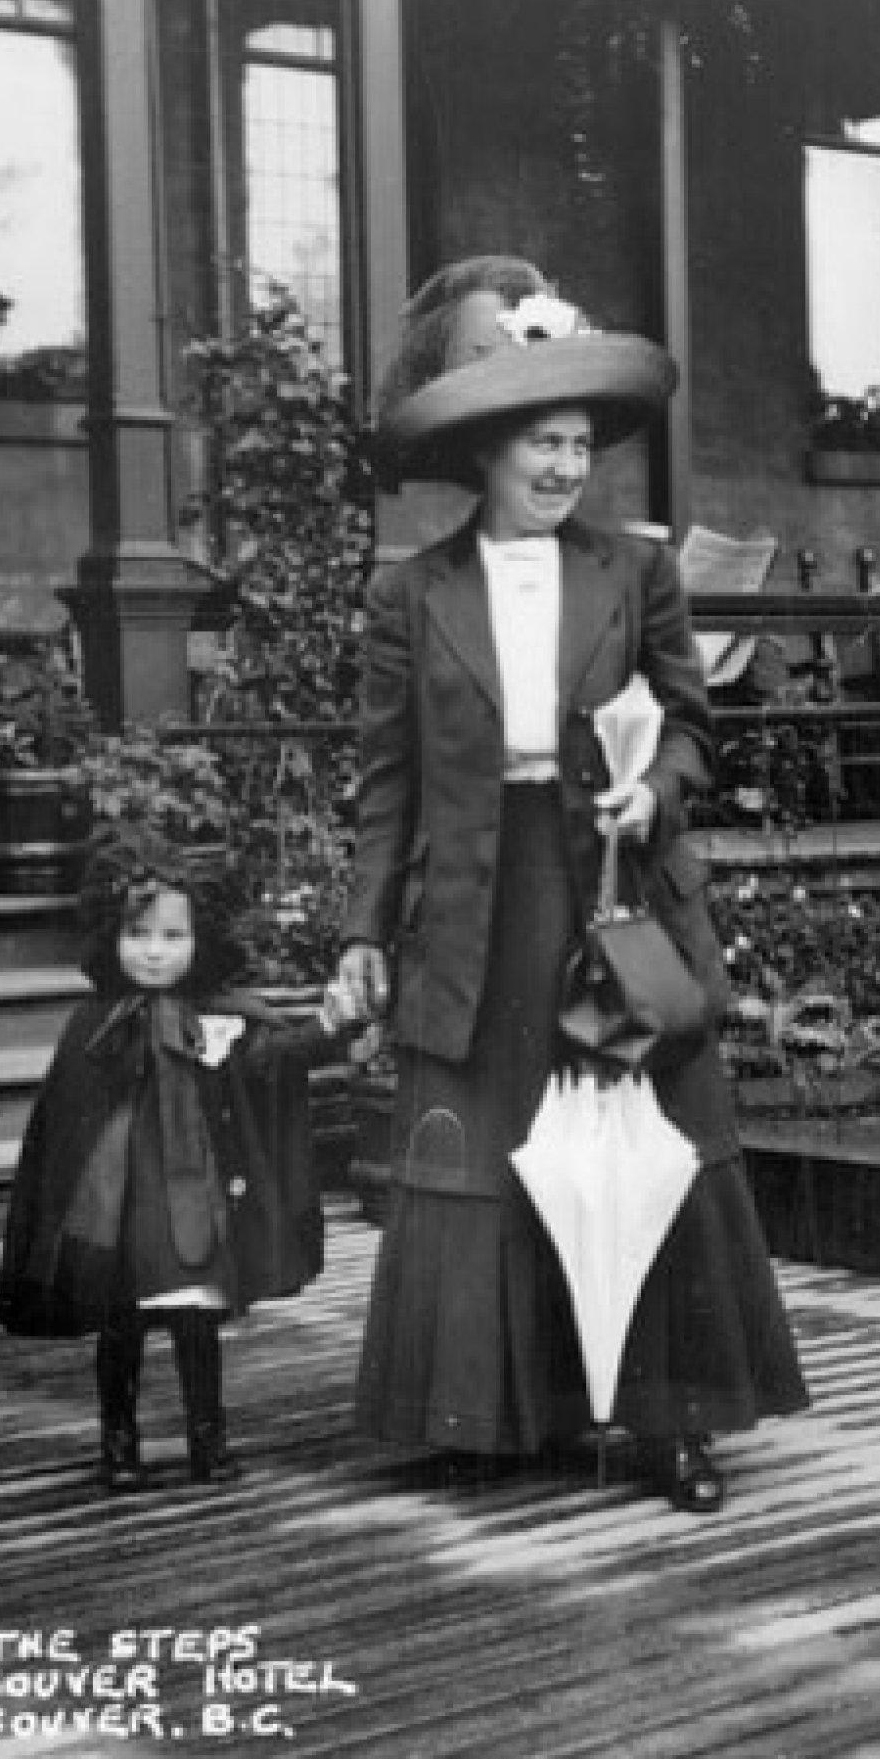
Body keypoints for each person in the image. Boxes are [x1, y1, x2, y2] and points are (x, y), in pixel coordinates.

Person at [338, 256, 809, 1513]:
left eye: (576, 445)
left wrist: (652, 791)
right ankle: (484, 1414)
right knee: (490, 1144)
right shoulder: (410, 593)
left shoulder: (637, 573)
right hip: (477, 903)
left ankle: (669, 1416)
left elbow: (696, 728)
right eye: (537, 444)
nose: (561, 469)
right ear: (485, 452)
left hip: (614, 887)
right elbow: (387, 783)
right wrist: (360, 932)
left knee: (640, 1140)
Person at [0, 825, 360, 1490]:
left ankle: (208, 1438)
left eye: (172, 936)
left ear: (201, 941)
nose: (155, 953)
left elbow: (272, 1060)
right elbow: (67, 1126)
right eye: (139, 936)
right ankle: (118, 1440)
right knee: (121, 1323)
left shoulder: (219, 1019)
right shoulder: (93, 1027)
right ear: (111, 937)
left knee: (195, 1320)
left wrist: (329, 1028)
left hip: (192, 1206)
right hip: (119, 1210)